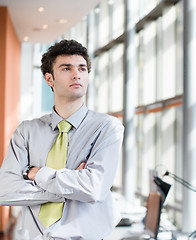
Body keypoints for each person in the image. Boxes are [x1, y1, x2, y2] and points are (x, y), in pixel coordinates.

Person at [0, 39, 124, 239]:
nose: (77, 74)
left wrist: (37, 174)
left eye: (82, 68)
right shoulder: (27, 131)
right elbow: (4, 190)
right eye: (67, 68)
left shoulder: (107, 127)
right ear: (49, 79)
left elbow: (94, 188)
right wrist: (70, 187)